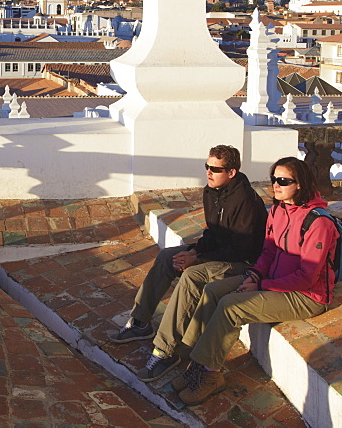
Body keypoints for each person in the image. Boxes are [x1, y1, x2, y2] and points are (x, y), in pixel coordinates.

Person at [169, 156, 339, 405]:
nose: (276, 185)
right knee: (214, 290)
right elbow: (268, 251)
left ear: (300, 184)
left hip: (306, 296)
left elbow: (307, 277)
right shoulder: (279, 210)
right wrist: (254, 275)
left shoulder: (318, 223)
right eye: (274, 179)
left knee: (230, 306)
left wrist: (260, 285)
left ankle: (211, 376)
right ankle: (197, 362)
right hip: (272, 281)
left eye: (283, 180)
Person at [109, 145, 267, 378]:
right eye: (207, 166)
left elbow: (240, 248)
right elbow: (213, 234)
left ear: (231, 172)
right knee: (166, 257)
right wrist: (194, 252)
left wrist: (197, 259)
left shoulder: (245, 201)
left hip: (243, 261)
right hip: (220, 252)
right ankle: (141, 321)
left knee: (193, 277)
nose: (209, 172)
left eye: (215, 168)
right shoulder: (211, 191)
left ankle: (165, 350)